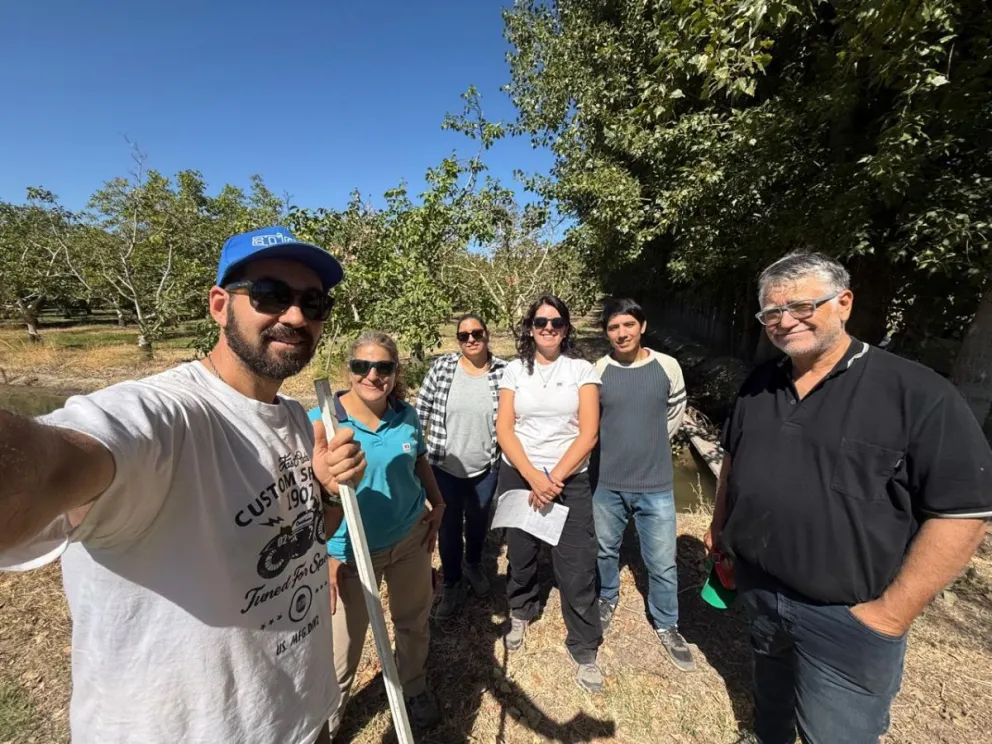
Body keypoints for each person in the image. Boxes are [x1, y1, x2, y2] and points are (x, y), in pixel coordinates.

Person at [0, 226, 366, 744]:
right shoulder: (167, 418)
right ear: (220, 305)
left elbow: (303, 539)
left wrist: (326, 491)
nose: (295, 316)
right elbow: (50, 464)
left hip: (300, 716)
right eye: (270, 295)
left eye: (313, 303)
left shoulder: (293, 419)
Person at [707, 252, 992, 744]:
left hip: (848, 615)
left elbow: (961, 513)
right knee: (771, 693)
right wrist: (719, 526)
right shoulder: (760, 383)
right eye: (771, 313)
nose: (785, 321)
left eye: (801, 305)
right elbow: (733, 458)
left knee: (838, 731)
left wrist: (889, 615)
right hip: (759, 586)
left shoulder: (917, 394)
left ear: (843, 303)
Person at [309, 331, 445, 730]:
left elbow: (419, 462)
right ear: (348, 371)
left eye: (383, 367)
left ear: (394, 371)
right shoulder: (322, 422)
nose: (372, 375)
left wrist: (438, 502)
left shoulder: (406, 415)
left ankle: (414, 687)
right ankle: (330, 720)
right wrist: (325, 555)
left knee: (412, 622)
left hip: (408, 541)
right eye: (361, 366)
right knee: (342, 650)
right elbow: (306, 499)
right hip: (348, 553)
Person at [495, 294, 605, 693]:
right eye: (540, 322)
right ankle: (521, 609)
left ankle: (584, 645)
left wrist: (553, 478)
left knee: (575, 562)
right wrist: (531, 476)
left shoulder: (582, 370)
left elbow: (588, 432)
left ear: (566, 328)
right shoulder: (513, 371)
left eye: (556, 323)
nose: (547, 329)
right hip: (520, 474)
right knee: (521, 550)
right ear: (529, 327)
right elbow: (505, 429)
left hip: (569, 479)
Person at [591, 297, 694, 671]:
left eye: (628, 325)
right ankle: (606, 597)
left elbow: (675, 410)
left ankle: (667, 624)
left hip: (656, 484)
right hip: (607, 482)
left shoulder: (668, 367)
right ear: (607, 333)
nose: (621, 333)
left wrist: (651, 439)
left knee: (662, 562)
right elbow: (590, 420)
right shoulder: (598, 370)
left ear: (642, 326)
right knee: (605, 550)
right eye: (614, 328)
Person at [416, 314, 507, 620]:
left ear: (487, 334)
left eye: (476, 333)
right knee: (449, 527)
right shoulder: (443, 367)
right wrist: (415, 456)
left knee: (479, 523)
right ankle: (453, 582)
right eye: (463, 335)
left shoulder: (505, 372)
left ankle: (473, 564)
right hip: (445, 467)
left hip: (486, 467)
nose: (470, 339)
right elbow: (422, 411)